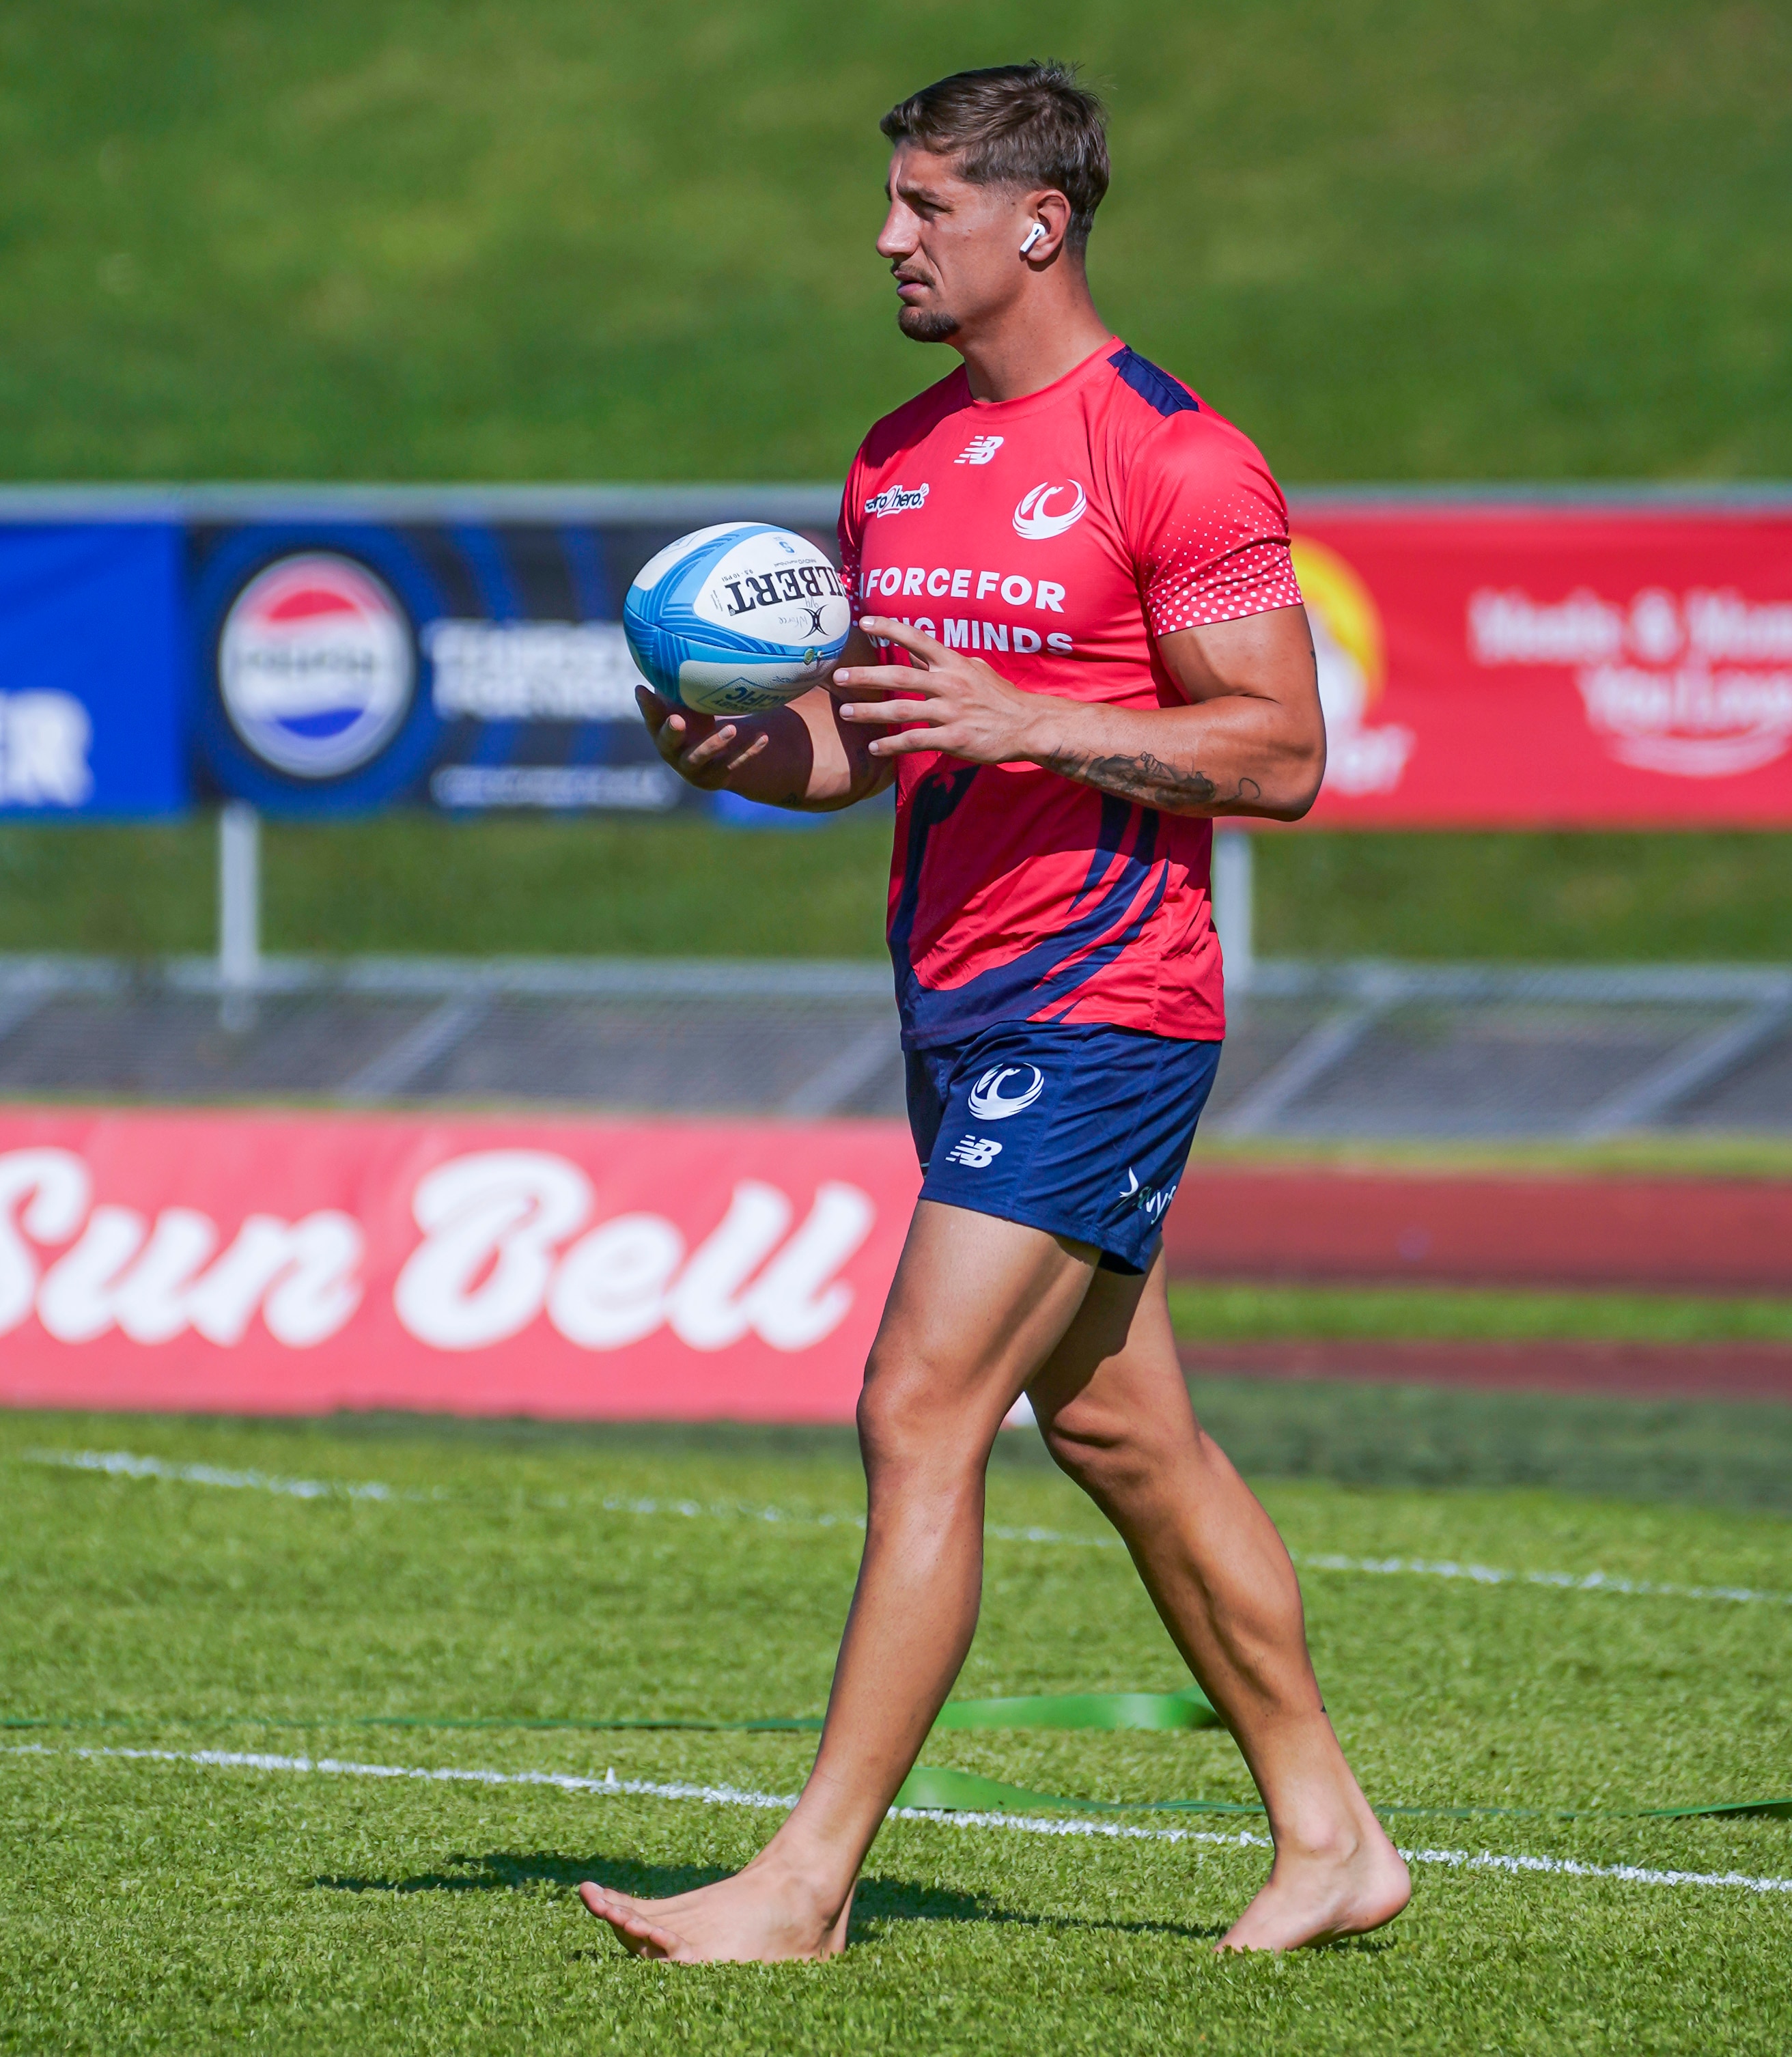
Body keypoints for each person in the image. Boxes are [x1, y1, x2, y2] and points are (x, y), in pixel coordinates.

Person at [580, 60, 1410, 1962]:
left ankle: (801, 1885)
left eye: (926, 205)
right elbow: (868, 752)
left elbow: (1282, 753)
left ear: (1038, 224)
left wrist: (1039, 716)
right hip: (956, 1002)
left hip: (1111, 1003)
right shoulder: (895, 454)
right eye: (893, 201)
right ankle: (1331, 1833)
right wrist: (732, 755)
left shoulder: (1179, 456)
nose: (887, 234)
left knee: (917, 1405)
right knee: (1127, 1444)